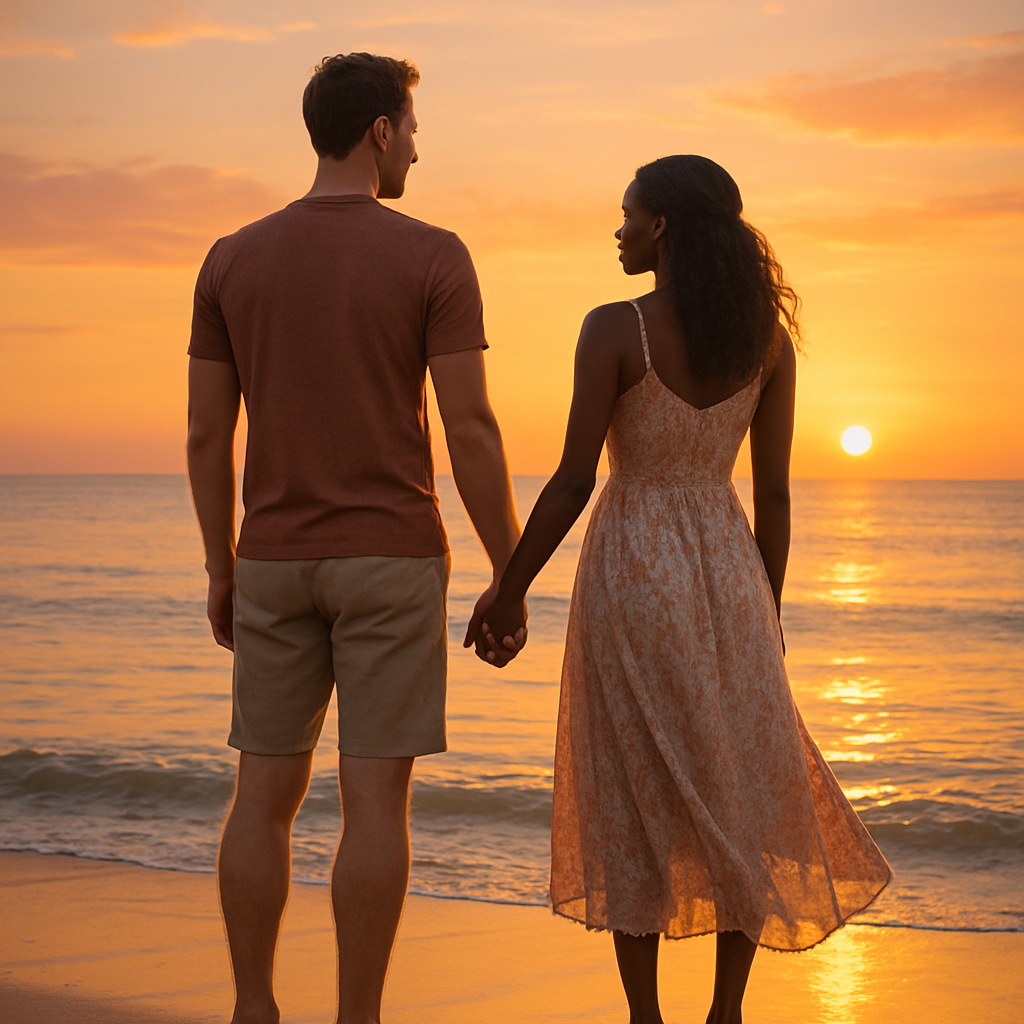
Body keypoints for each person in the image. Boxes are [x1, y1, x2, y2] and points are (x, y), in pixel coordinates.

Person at [475, 155, 891, 1024]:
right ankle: (727, 1011)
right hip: (730, 572)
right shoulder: (763, 338)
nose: (618, 228)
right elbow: (773, 494)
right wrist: (765, 612)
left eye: (627, 214)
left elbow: (570, 482)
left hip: (634, 570)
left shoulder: (615, 327)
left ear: (661, 225)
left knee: (631, 786)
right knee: (740, 782)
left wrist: (509, 589)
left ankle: (644, 1017)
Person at [186, 53, 522, 1024]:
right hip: (391, 558)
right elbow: (471, 428)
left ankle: (253, 1006)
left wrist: (222, 566)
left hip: (273, 560)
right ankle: (358, 1017)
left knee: (262, 795)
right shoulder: (433, 254)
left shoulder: (230, 257)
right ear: (379, 130)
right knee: (376, 804)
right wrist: (508, 566)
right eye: (412, 126)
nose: (418, 144)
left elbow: (210, 433)